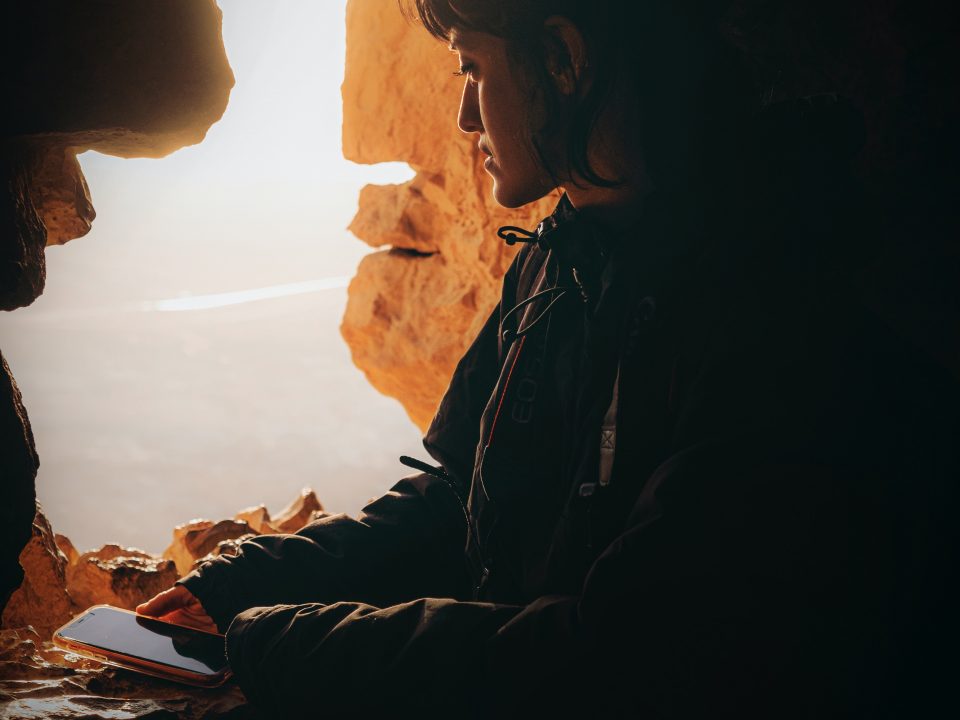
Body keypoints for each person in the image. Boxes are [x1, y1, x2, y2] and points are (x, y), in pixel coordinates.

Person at [138, 1, 960, 717]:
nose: (464, 116)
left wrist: (272, 642)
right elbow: (466, 496)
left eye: (471, 67)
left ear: (564, 58)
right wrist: (243, 583)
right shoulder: (562, 256)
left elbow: (632, 658)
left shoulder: (778, 301)